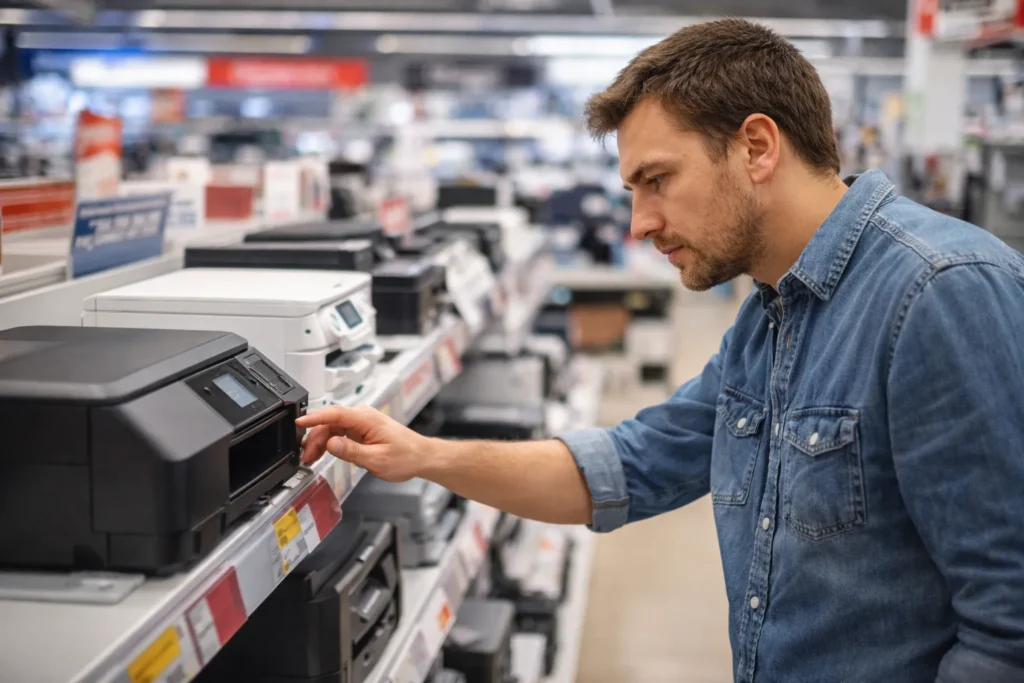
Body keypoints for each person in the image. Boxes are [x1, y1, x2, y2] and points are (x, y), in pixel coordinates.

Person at [297, 19, 1024, 683]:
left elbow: (1007, 627)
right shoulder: (769, 314)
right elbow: (629, 465)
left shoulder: (938, 292)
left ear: (757, 147)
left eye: (658, 180)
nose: (640, 222)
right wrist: (423, 454)